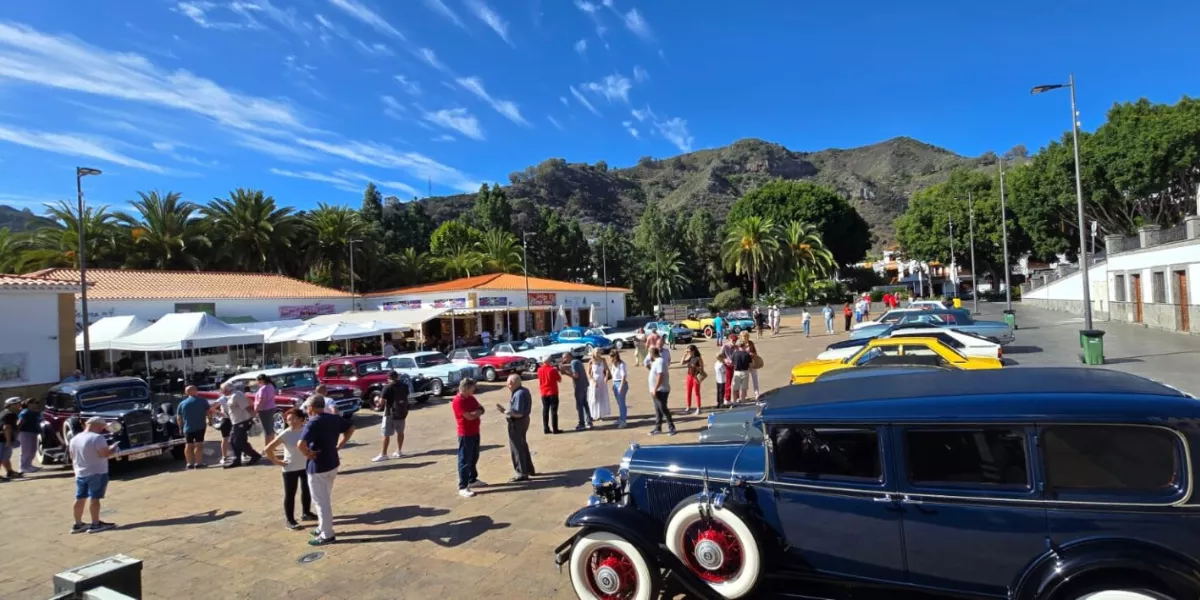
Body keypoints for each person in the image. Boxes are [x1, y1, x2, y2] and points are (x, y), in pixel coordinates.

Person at [298, 396, 354, 546]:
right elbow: (350, 428)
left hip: (317, 466)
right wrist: (339, 445)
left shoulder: (313, 422)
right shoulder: (333, 418)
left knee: (321, 502)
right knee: (324, 497)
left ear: (310, 407)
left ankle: (327, 534)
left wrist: (308, 454)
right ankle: (322, 527)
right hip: (332, 463)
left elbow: (300, 444)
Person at [264, 408, 317, 530]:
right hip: (290, 468)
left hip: (306, 466)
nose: (290, 422)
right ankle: (290, 520)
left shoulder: (306, 430)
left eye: (293, 419)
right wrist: (277, 461)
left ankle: (306, 513)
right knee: (290, 494)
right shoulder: (286, 433)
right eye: (288, 420)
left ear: (301, 419)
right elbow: (268, 449)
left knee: (307, 490)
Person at [69, 416, 118, 534]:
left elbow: (72, 456)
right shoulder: (97, 438)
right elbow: (104, 453)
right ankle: (95, 523)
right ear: (97, 425)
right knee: (95, 498)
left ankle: (78, 524)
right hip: (97, 472)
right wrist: (113, 448)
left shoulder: (75, 439)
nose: (102, 429)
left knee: (80, 498)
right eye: (102, 427)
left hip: (80, 473)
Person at [496, 374, 535, 482]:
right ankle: (528, 469)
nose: (507, 385)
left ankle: (521, 472)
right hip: (523, 421)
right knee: (522, 445)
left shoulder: (518, 394)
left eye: (508, 383)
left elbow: (518, 413)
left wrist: (505, 412)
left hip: (517, 423)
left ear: (513, 383)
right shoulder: (523, 391)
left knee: (517, 448)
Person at [452, 378, 485, 497]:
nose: (474, 390)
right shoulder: (458, 401)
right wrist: (476, 413)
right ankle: (463, 486)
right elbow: (469, 417)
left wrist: (477, 412)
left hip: (475, 431)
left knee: (474, 456)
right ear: (466, 388)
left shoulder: (471, 398)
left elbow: (481, 409)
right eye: (472, 388)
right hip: (465, 434)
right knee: (465, 459)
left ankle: (472, 479)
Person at [223, 382, 261, 469]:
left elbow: (246, 407)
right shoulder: (232, 396)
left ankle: (253, 455)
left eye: (223, 390)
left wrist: (254, 416)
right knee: (234, 441)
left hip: (241, 422)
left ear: (228, 389)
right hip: (236, 421)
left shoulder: (237, 395)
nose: (222, 391)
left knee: (237, 441)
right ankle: (238, 459)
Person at [373, 371, 409, 462]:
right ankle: (399, 451)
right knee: (400, 432)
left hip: (390, 413)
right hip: (402, 412)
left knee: (386, 434)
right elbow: (406, 396)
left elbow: (380, 403)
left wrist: (376, 400)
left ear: (389, 378)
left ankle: (384, 454)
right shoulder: (404, 386)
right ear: (397, 377)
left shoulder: (387, 387)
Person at [176, 386, 213, 470]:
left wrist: (180, 428)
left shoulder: (182, 403)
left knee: (188, 445)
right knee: (199, 445)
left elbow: (179, 417)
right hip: (200, 426)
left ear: (186, 393)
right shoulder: (202, 401)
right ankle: (198, 463)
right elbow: (208, 412)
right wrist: (210, 420)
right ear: (196, 391)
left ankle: (189, 463)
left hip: (187, 428)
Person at [646, 347, 675, 436]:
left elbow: (660, 376)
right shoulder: (655, 362)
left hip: (661, 390)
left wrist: (655, 388)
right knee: (657, 410)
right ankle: (658, 428)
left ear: (651, 354)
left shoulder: (659, 362)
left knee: (663, 409)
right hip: (656, 390)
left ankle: (672, 427)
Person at [16, 397, 42, 474]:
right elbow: (20, 423)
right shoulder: (25, 412)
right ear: (29, 404)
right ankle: (23, 467)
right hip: (25, 433)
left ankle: (29, 465)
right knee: (26, 450)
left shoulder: (35, 412)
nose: (37, 404)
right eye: (35, 403)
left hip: (33, 433)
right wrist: (16, 433)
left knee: (32, 450)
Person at [537, 355, 562, 434]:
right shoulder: (552, 370)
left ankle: (546, 428)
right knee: (554, 411)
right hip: (552, 392)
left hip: (543, 392)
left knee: (545, 410)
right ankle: (555, 428)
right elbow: (559, 379)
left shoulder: (539, 370)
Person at [586, 349, 612, 422]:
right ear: (593, 353)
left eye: (599, 352)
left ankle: (600, 415)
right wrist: (593, 380)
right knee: (594, 398)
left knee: (601, 397)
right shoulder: (591, 361)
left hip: (602, 381)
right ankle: (593, 415)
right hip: (594, 381)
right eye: (596, 352)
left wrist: (606, 376)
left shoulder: (603, 360)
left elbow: (606, 369)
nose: (598, 354)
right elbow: (588, 373)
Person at [568, 354, 592, 430]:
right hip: (584, 385)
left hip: (579, 387)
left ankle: (582, 424)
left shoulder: (573, 363)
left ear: (569, 356)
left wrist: (566, 372)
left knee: (580, 405)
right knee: (585, 404)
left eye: (564, 358)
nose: (564, 360)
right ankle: (589, 422)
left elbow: (576, 375)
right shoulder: (577, 361)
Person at [254, 374, 279, 445]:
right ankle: (272, 446)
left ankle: (267, 448)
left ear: (262, 380)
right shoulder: (271, 386)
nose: (256, 382)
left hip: (265, 410)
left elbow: (262, 400)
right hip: (271, 408)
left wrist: (256, 409)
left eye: (257, 380)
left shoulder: (263, 388)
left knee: (267, 431)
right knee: (270, 429)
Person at [211, 387, 234, 465]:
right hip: (231, 419)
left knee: (226, 439)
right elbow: (212, 407)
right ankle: (225, 456)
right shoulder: (226, 398)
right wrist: (219, 412)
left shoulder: (223, 398)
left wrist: (218, 412)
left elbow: (212, 407)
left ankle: (225, 457)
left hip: (229, 419)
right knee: (228, 438)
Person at [682, 345, 704, 415]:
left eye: (689, 351)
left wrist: (696, 367)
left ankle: (698, 408)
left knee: (697, 392)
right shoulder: (690, 357)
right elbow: (682, 363)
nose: (688, 352)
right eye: (687, 351)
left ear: (693, 351)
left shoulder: (698, 358)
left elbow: (702, 369)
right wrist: (685, 355)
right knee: (688, 392)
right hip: (689, 376)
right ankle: (688, 407)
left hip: (696, 376)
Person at [1, 397, 19, 479]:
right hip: (3, 439)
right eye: (17, 403)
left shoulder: (3, 412)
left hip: (3, 438)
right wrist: (8, 441)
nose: (19, 405)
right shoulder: (10, 414)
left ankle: (10, 471)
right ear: (11, 405)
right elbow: (6, 427)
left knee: (5, 457)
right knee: (1, 457)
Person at [609, 351, 629, 428]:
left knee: (622, 403)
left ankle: (623, 421)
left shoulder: (621, 364)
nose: (610, 359)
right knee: (619, 403)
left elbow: (623, 376)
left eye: (611, 357)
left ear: (615, 357)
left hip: (621, 384)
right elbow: (613, 376)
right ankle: (621, 418)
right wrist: (613, 384)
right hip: (615, 384)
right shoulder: (614, 365)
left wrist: (621, 387)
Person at [740, 331, 761, 400]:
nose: (745, 337)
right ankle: (744, 395)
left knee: (755, 378)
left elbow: (755, 351)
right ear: (741, 337)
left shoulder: (751, 343)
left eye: (746, 336)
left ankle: (757, 393)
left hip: (752, 362)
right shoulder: (740, 344)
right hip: (745, 364)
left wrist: (753, 354)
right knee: (745, 380)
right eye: (744, 336)